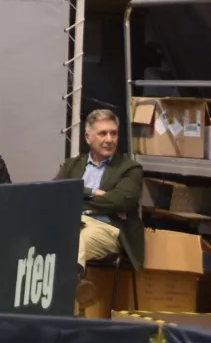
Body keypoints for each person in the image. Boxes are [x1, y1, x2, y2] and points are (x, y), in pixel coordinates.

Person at [55, 109, 144, 274]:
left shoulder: (130, 168)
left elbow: (120, 201)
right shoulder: (72, 165)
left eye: (114, 133)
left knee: (73, 243)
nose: (109, 139)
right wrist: (93, 193)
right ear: (88, 137)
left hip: (107, 228)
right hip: (72, 223)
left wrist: (78, 201)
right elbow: (56, 194)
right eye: (103, 133)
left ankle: (66, 290)